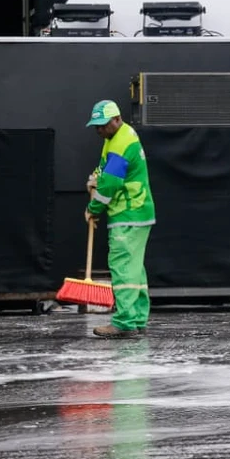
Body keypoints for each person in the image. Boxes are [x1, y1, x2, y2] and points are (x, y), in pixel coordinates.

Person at [84, 100, 156, 338]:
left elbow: (110, 185)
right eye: (96, 126)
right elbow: (105, 170)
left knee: (123, 267)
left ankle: (124, 322)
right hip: (138, 213)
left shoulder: (120, 144)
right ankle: (137, 318)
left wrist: (94, 208)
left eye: (102, 125)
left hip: (127, 214)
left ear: (117, 119)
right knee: (135, 269)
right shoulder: (116, 138)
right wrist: (95, 177)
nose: (99, 130)